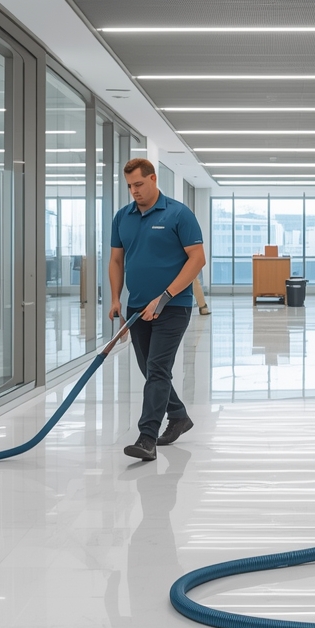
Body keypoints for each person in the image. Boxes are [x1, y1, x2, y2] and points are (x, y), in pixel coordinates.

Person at [108, 158, 206, 462]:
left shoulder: (179, 213)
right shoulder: (122, 217)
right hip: (137, 308)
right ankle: (178, 415)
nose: (134, 191)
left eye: (139, 184)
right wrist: (115, 299)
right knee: (150, 370)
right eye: (129, 186)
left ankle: (146, 437)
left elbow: (197, 259)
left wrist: (164, 296)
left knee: (158, 369)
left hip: (172, 306)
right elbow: (116, 261)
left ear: (152, 179)